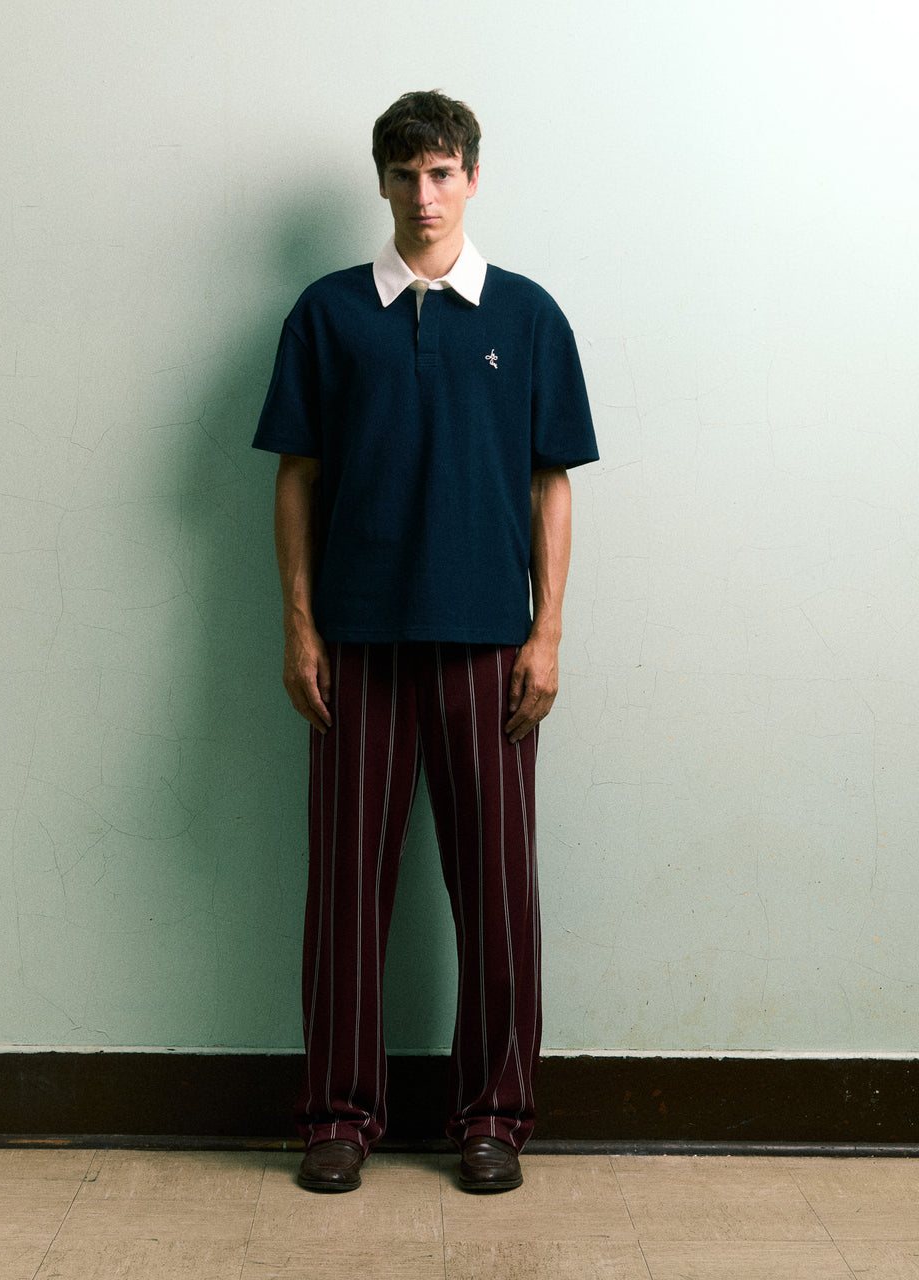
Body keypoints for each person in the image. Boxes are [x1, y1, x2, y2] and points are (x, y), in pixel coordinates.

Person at [253, 90, 597, 1193]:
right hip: (355, 642)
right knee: (345, 888)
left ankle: (493, 1114)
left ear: (473, 179)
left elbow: (552, 482)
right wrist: (299, 624)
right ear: (382, 181)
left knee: (497, 891)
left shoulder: (528, 316)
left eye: (442, 171)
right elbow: (295, 477)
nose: (424, 193)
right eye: (405, 174)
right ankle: (338, 1115)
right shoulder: (327, 314)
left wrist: (546, 632)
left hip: (490, 648)